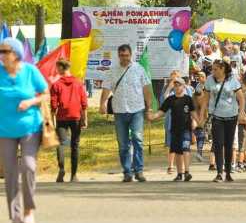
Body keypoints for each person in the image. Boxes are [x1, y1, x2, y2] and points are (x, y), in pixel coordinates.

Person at [0, 37, 48, 223]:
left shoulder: (30, 71)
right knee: (10, 172)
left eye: (5, 52)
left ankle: (29, 211)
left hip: (30, 127)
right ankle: (16, 215)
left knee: (28, 166)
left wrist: (30, 102)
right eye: (0, 52)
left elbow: (46, 93)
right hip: (4, 130)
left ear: (16, 53)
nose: (1, 55)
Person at [100, 44, 153, 182]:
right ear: (118, 56)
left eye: (127, 55)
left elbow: (146, 89)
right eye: (122, 55)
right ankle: (127, 171)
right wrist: (102, 103)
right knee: (123, 144)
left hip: (137, 110)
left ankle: (139, 170)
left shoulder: (139, 69)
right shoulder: (112, 71)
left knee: (137, 139)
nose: (125, 58)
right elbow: (106, 89)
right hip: (119, 111)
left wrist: (149, 108)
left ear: (131, 55)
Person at [200, 59, 246, 182]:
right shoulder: (210, 80)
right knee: (218, 144)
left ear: (223, 69)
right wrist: (202, 114)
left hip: (231, 116)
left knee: (229, 145)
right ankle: (219, 172)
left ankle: (228, 172)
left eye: (215, 69)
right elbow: (205, 98)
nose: (213, 71)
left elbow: (241, 98)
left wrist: (241, 112)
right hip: (216, 116)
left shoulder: (232, 80)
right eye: (212, 69)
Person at [148, 77, 199, 182]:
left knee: (185, 149)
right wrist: (153, 116)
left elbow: (193, 113)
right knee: (177, 152)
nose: (176, 87)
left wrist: (198, 122)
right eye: (175, 85)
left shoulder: (188, 99)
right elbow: (161, 111)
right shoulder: (170, 99)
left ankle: (187, 172)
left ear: (184, 86)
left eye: (179, 85)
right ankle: (180, 174)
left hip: (186, 128)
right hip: (174, 129)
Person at [50, 59, 88, 183]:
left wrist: (52, 118)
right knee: (75, 146)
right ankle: (74, 175)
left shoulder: (56, 85)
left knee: (60, 143)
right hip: (76, 117)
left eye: (57, 67)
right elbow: (84, 103)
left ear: (61, 68)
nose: (56, 70)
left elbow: (54, 105)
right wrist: (85, 119)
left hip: (61, 117)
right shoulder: (79, 83)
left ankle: (61, 169)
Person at [193, 72, 207, 162]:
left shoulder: (208, 85)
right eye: (199, 76)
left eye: (202, 76)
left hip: (207, 112)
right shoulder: (197, 86)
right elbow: (195, 97)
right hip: (199, 111)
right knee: (200, 132)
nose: (200, 78)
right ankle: (199, 152)